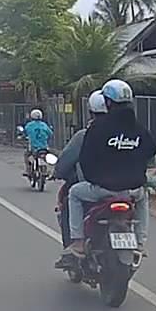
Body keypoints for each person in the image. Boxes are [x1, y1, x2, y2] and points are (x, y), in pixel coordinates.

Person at [64, 79, 156, 258]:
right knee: (143, 196)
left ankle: (78, 241)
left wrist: (95, 178)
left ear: (108, 102)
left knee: (74, 193)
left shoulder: (98, 127)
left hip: (104, 188)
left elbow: (85, 158)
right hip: (132, 190)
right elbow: (151, 150)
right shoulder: (138, 128)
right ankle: (140, 242)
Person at [53, 91, 109, 247]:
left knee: (72, 197)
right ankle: (140, 241)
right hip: (126, 188)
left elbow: (66, 160)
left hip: (96, 187)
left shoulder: (85, 135)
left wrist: (58, 172)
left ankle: (74, 243)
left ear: (91, 112)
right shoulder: (125, 133)